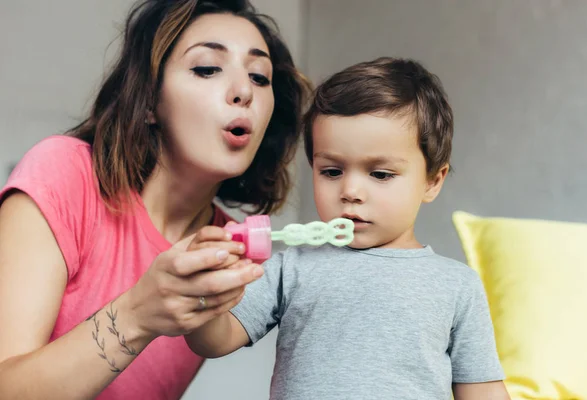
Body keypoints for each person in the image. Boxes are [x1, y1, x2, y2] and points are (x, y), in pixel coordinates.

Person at [0, 0, 310, 399]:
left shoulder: (225, 248)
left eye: (259, 76)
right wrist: (138, 315)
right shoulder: (64, 172)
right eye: (207, 68)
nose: (243, 92)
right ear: (149, 101)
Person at [185, 57, 511, 400]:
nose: (350, 192)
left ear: (432, 180)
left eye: (380, 174)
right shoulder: (291, 267)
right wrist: (203, 293)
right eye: (331, 171)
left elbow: (483, 390)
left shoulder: (457, 286)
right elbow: (214, 341)